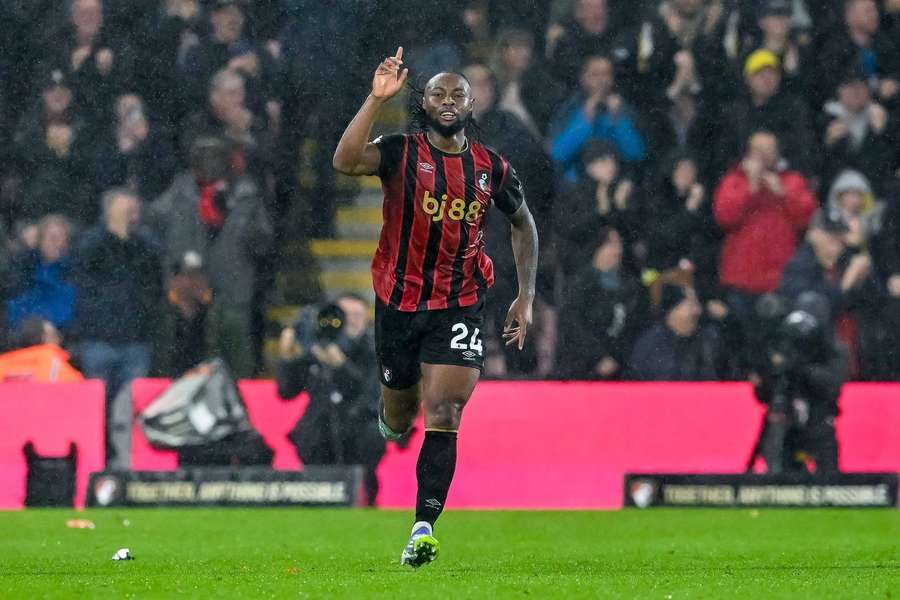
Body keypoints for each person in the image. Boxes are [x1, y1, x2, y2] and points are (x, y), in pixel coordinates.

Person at [332, 47, 538, 567]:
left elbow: (524, 224)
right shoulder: (401, 150)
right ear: (423, 103)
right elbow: (344, 161)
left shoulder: (491, 167)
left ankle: (423, 527)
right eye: (438, 94)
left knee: (444, 412)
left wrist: (525, 296)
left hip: (461, 301)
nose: (449, 101)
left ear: (471, 106)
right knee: (400, 417)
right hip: (398, 302)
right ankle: (393, 414)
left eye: (458, 95)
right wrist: (376, 100)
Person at [150, 136, 273, 378]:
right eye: (203, 158)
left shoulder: (245, 193)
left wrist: (252, 237)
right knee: (178, 350)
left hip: (232, 287)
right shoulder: (181, 190)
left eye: (216, 157)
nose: (209, 164)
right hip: (186, 290)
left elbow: (264, 241)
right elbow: (154, 221)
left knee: (235, 351)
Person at [277, 295, 384, 507]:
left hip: (359, 424)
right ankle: (316, 496)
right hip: (320, 425)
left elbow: (370, 395)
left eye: (357, 315)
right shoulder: (318, 345)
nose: (351, 320)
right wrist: (287, 357)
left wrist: (341, 366)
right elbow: (286, 392)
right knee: (311, 432)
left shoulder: (375, 348)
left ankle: (364, 498)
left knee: (369, 435)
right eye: (346, 315)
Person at [713, 130, 816, 331]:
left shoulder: (792, 180)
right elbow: (724, 217)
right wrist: (750, 187)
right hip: (741, 278)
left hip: (780, 278)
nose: (762, 155)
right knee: (742, 339)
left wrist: (782, 193)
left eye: (768, 150)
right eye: (757, 150)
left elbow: (806, 217)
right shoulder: (734, 180)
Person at [556, 228, 645, 380]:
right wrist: (598, 357)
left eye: (619, 244)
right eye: (610, 244)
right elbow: (572, 324)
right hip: (582, 368)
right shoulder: (580, 282)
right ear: (597, 248)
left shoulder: (629, 285)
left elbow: (633, 325)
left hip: (620, 368)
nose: (617, 250)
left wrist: (615, 357)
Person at [550, 55, 646, 182]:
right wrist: (585, 120)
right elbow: (557, 155)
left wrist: (617, 120)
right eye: (595, 74)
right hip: (576, 186)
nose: (602, 80)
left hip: (617, 184)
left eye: (606, 74)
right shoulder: (569, 108)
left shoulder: (624, 109)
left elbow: (636, 155)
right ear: (583, 78)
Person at [626, 283, 724, 381]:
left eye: (697, 304)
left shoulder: (709, 338)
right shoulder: (650, 344)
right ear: (673, 310)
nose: (698, 311)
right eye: (691, 305)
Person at [7, 214, 76, 332]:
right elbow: (16, 305)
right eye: (51, 238)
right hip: (28, 333)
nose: (56, 243)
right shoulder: (27, 268)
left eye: (61, 238)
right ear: (40, 240)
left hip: (61, 334)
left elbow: (68, 307)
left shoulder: (72, 271)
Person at [0, 317, 83, 382]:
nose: (59, 339)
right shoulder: (54, 364)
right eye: (55, 334)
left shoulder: (2, 363)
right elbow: (78, 392)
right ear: (47, 338)